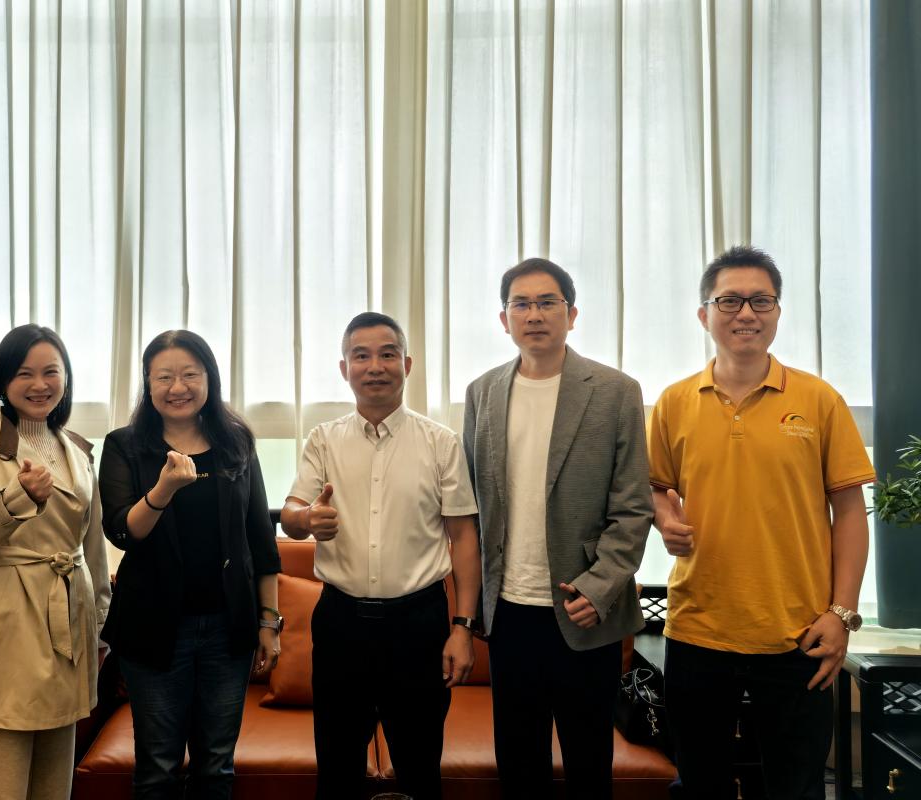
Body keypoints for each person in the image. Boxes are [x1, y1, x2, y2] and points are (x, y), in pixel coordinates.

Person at [647, 245, 875, 800]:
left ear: (777, 312)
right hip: (698, 630)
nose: (745, 313)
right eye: (729, 301)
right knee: (700, 785)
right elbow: (654, 486)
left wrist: (842, 614)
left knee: (795, 788)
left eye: (761, 301)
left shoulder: (819, 400)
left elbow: (849, 512)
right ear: (704, 314)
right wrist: (662, 516)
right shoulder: (674, 402)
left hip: (799, 634)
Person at [462, 257, 653, 799]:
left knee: (588, 764)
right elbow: (471, 504)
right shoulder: (482, 392)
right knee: (518, 763)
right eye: (521, 304)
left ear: (571, 314)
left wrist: (600, 586)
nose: (534, 314)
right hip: (508, 613)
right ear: (504, 319)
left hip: (582, 607)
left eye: (548, 302)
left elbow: (633, 507)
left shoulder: (615, 391)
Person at [280, 312, 481, 800]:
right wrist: (307, 520)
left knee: (419, 767)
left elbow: (463, 537)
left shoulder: (441, 442)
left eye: (388, 354)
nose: (375, 366)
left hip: (419, 624)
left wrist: (462, 628)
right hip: (341, 622)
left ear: (406, 364)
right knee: (336, 768)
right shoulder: (323, 439)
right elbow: (290, 514)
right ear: (344, 368)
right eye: (361, 356)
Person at [98, 329, 281, 800]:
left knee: (216, 765)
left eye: (189, 375)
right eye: (164, 377)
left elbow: (260, 540)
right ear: (147, 383)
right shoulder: (124, 446)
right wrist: (163, 490)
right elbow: (122, 531)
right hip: (153, 627)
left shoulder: (236, 442)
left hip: (228, 630)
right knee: (158, 766)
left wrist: (269, 621)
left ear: (209, 379)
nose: (177, 387)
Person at [0, 324, 112, 800]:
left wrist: (99, 625)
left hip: (67, 625)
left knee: (54, 780)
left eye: (51, 372)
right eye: (24, 373)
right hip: (4, 621)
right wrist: (17, 498)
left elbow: (91, 546)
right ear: (2, 381)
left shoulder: (77, 451)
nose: (40, 385)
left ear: (66, 379)